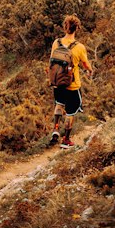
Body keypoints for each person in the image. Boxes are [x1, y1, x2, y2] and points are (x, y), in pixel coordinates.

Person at [47, 13, 93, 147]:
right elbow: (85, 64)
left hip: (57, 82)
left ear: (64, 27)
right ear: (77, 28)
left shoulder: (56, 42)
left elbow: (51, 60)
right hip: (72, 85)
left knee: (59, 104)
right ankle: (66, 140)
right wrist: (90, 71)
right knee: (71, 112)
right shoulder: (79, 47)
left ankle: (55, 129)